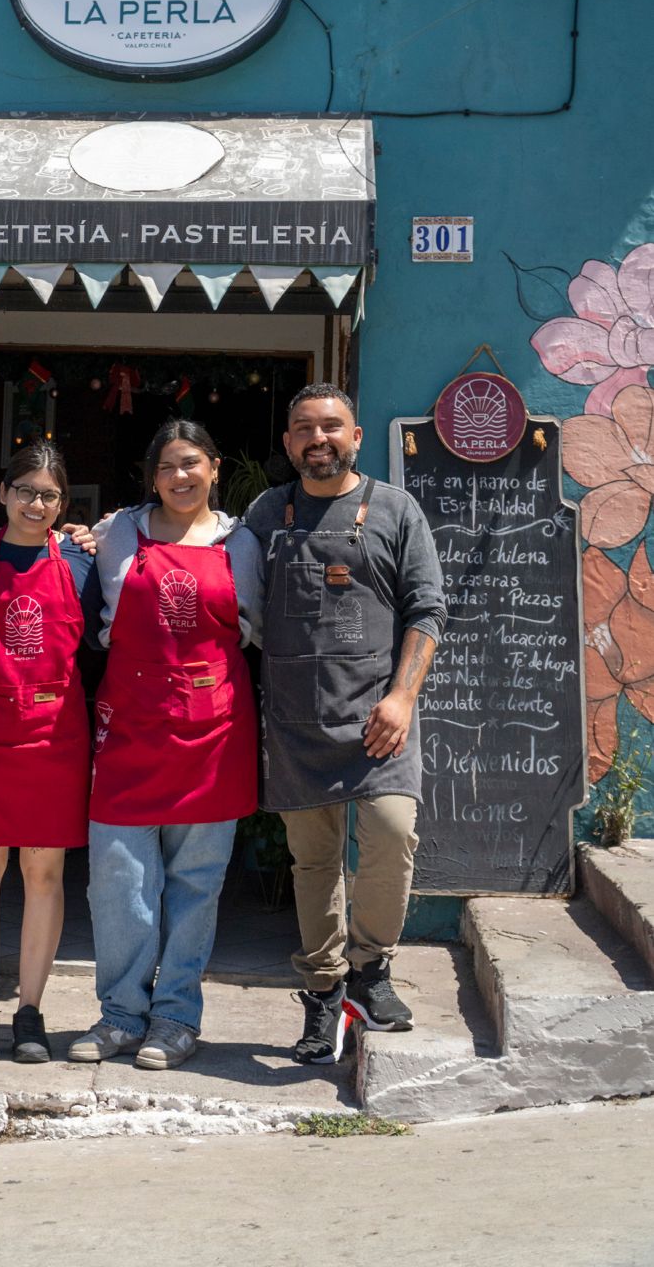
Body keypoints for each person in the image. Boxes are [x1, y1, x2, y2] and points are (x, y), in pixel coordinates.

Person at [244, 383, 446, 1066]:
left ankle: (371, 971)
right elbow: (213, 569)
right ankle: (323, 991)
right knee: (313, 862)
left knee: (391, 836)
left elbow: (426, 610)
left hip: (378, 719)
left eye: (331, 426)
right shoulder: (266, 513)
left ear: (355, 437)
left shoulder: (395, 509)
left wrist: (401, 698)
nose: (317, 438)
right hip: (296, 720)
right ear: (288, 443)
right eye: (303, 428)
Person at [69, 419, 263, 1071]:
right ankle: (120, 1015)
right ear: (151, 478)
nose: (180, 478)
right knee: (117, 885)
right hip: (128, 730)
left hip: (211, 736)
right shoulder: (120, 531)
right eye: (167, 468)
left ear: (213, 467)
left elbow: (254, 632)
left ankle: (175, 1018)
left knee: (194, 887)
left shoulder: (242, 544)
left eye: (192, 464)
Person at [0, 441, 100, 1065]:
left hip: (55, 732)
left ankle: (30, 1013)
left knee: (43, 873)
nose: (37, 503)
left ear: (64, 504)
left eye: (50, 494)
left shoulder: (83, 558)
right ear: (4, 494)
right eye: (26, 490)